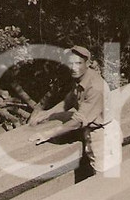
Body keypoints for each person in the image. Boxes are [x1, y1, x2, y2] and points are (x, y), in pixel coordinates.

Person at [28, 46, 121, 179]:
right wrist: (47, 114)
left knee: (104, 182)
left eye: (78, 63)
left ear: (87, 63)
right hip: (92, 133)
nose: (73, 67)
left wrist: (47, 134)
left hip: (104, 136)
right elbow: (69, 101)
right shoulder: (81, 80)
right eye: (70, 63)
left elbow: (78, 121)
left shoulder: (95, 87)